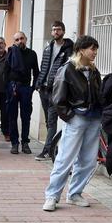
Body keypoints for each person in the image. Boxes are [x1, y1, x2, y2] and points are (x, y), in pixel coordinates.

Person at [42, 36, 103, 211]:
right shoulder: (67, 69)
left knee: (88, 160)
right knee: (65, 159)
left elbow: (98, 94)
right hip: (76, 118)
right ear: (82, 50)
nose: (95, 52)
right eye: (92, 48)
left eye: (95, 49)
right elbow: (58, 98)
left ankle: (75, 193)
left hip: (94, 118)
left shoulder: (93, 70)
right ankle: (52, 196)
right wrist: (69, 116)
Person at [35, 21, 74, 162]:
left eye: (58, 29)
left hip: (56, 90)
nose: (56, 32)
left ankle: (47, 151)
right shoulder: (48, 47)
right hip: (43, 89)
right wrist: (38, 83)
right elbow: (43, 66)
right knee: (48, 121)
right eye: (53, 30)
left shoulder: (69, 49)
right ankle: (52, 147)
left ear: (63, 31)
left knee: (51, 122)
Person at [6, 31, 39, 155]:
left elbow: (36, 72)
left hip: (25, 88)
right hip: (12, 87)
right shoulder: (10, 53)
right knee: (12, 116)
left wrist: (32, 88)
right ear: (14, 42)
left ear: (26, 39)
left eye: (22, 38)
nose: (20, 41)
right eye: (17, 39)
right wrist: (7, 87)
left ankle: (25, 142)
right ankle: (14, 143)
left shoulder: (32, 54)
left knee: (26, 117)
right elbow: (6, 72)